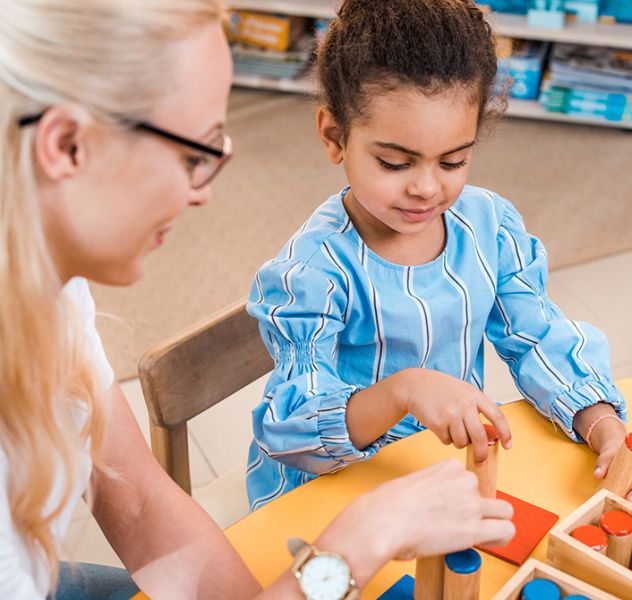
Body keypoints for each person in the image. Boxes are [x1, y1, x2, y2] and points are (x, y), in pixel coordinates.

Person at [0, 1, 515, 599]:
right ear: (65, 146)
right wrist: (356, 545)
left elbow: (139, 504)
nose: (204, 195)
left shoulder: (48, 286)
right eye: (194, 154)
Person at [246, 0, 632, 512]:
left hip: (443, 474)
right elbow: (290, 428)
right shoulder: (310, 275)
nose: (426, 187)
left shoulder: (490, 225)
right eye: (394, 162)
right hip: (336, 496)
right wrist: (403, 390)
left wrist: (604, 426)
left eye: (454, 161)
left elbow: (538, 338)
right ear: (335, 137)